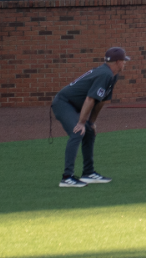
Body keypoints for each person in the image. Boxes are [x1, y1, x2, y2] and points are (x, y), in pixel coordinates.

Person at [54, 46, 129, 188]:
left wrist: (91, 122)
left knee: (88, 131)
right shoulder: (105, 74)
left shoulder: (112, 76)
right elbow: (90, 99)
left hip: (75, 105)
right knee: (77, 131)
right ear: (118, 62)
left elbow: (101, 101)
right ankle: (67, 177)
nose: (125, 63)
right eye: (124, 61)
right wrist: (82, 123)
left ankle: (88, 173)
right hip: (63, 103)